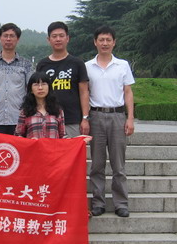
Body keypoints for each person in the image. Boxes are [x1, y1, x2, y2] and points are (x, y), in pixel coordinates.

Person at [14, 71, 66, 244]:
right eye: (36, 84)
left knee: (49, 209)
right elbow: (17, 137)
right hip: (32, 167)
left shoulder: (57, 110)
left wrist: (77, 144)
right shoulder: (25, 111)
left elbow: (62, 137)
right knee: (30, 210)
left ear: (49, 87)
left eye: (44, 83)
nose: (40, 87)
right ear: (30, 88)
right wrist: (30, 143)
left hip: (52, 167)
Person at [86, 25, 135, 218]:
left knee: (118, 164)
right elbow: (85, 93)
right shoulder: (87, 66)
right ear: (95, 42)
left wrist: (130, 118)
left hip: (117, 116)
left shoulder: (122, 65)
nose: (104, 43)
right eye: (101, 40)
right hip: (96, 116)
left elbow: (128, 92)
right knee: (97, 164)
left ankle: (121, 203)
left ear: (114, 42)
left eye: (108, 40)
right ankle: (98, 202)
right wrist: (85, 118)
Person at [36, 21, 90, 138]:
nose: (58, 39)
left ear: (67, 38)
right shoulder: (42, 65)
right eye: (54, 36)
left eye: (61, 36)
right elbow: (37, 92)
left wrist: (85, 118)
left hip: (72, 120)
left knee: (71, 150)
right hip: (48, 119)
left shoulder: (77, 63)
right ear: (48, 39)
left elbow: (84, 92)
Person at [0, 23, 33, 135]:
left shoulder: (26, 64)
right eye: (5, 36)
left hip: (19, 119)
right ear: (0, 38)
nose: (8, 39)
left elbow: (30, 90)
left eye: (12, 36)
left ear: (17, 39)